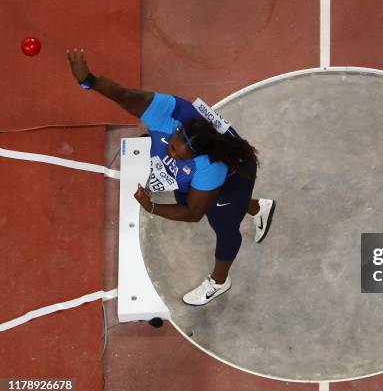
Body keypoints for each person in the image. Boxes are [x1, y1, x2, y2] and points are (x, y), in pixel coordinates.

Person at [67, 48, 276, 306]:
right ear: (177, 129)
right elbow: (123, 95)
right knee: (195, 195)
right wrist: (88, 80)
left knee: (223, 223)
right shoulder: (167, 111)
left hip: (235, 180)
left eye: (180, 156)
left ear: (197, 158)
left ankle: (220, 282)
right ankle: (258, 208)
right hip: (207, 173)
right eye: (173, 146)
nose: (172, 155)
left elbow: (192, 212)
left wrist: (152, 207)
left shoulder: (211, 167)